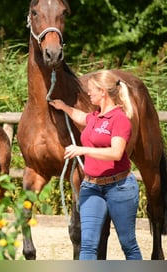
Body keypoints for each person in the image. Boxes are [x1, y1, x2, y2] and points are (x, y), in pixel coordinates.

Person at [49, 70, 142, 260]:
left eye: (91, 90)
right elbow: (82, 117)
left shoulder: (120, 120)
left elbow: (116, 153)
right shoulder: (95, 116)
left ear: (103, 92)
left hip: (119, 188)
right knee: (88, 245)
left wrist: (82, 150)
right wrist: (64, 107)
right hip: (91, 187)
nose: (88, 93)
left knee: (128, 244)